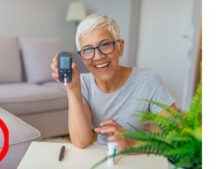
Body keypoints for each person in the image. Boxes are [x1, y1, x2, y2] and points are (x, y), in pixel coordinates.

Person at [51, 13, 175, 151]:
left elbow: (173, 138)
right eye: (87, 50)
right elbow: (81, 141)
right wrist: (72, 88)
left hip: (143, 155)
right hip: (104, 155)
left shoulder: (148, 80)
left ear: (120, 47)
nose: (98, 56)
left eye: (105, 45)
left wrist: (130, 144)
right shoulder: (82, 84)